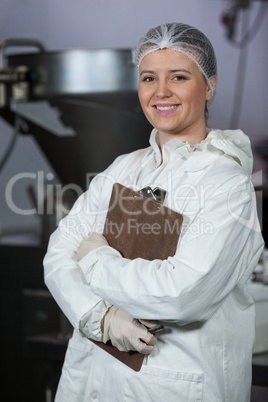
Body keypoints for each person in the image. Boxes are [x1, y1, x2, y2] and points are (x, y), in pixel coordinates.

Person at [44, 22, 264, 401]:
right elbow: (59, 253)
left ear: (209, 85)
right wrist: (100, 317)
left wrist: (96, 258)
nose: (161, 92)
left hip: (176, 386)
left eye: (179, 77)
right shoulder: (124, 168)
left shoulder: (226, 183)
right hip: (92, 382)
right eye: (149, 78)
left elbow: (182, 293)